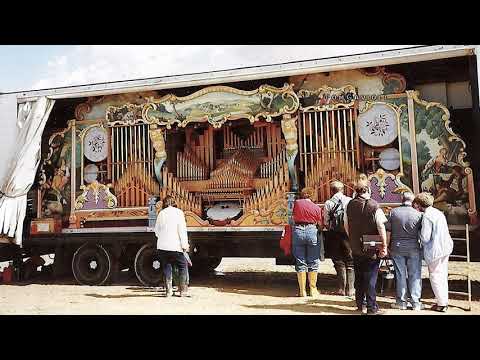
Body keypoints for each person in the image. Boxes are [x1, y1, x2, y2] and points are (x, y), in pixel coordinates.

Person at [345, 179, 388, 315]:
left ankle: (360, 304)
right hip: (372, 245)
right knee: (370, 277)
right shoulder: (375, 206)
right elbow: (381, 226)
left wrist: (352, 238)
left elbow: (346, 225)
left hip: (356, 245)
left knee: (359, 275)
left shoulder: (350, 205)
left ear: (355, 191)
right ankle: (371, 307)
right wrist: (384, 245)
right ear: (368, 190)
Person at [414, 192, 453, 312]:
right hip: (445, 246)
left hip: (435, 249)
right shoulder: (437, 212)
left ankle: (441, 304)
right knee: (442, 275)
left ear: (420, 205)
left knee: (435, 276)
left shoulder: (427, 216)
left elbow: (425, 238)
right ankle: (444, 300)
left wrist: (417, 233)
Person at [385, 192, 423, 311]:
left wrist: (386, 246)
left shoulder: (393, 212)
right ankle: (416, 302)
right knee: (415, 274)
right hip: (414, 247)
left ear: (402, 199)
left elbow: (388, 232)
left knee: (400, 274)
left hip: (397, 246)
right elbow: (422, 233)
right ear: (413, 201)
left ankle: (401, 302)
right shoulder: (418, 214)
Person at [154, 195, 190, 297]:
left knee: (167, 266)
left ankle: (168, 291)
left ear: (165, 203)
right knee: (183, 266)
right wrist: (185, 245)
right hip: (176, 246)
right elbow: (182, 231)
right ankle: (183, 291)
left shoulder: (161, 213)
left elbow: (156, 231)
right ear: (174, 202)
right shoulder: (179, 213)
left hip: (162, 247)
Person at [292, 187, 323, 298]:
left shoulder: (297, 203)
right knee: (313, 261)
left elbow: (293, 216)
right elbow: (320, 223)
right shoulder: (317, 208)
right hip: (311, 230)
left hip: (298, 231)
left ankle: (302, 291)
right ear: (312, 195)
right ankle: (313, 289)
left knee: (300, 261)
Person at [324, 181, 354, 296]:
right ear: (342, 190)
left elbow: (326, 222)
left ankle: (341, 289)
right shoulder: (349, 200)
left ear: (332, 190)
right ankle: (351, 289)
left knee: (338, 261)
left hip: (334, 234)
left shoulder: (328, 203)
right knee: (350, 261)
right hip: (347, 234)